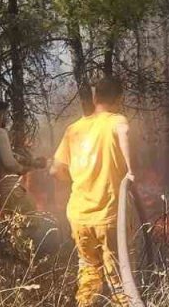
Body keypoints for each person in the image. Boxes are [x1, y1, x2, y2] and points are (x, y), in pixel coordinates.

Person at [51, 77, 134, 306]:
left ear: (96, 97)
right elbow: (124, 130)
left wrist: (78, 180)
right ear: (119, 99)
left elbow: (54, 170)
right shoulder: (116, 121)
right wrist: (131, 170)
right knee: (119, 279)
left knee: (88, 271)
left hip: (78, 215)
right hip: (107, 216)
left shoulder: (74, 129)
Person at [0, 99, 43, 215]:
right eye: (5, 114)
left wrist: (33, 163)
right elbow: (9, 163)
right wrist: (22, 170)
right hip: (10, 191)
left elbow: (2, 157)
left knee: (9, 224)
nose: (6, 118)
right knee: (31, 216)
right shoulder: (0, 133)